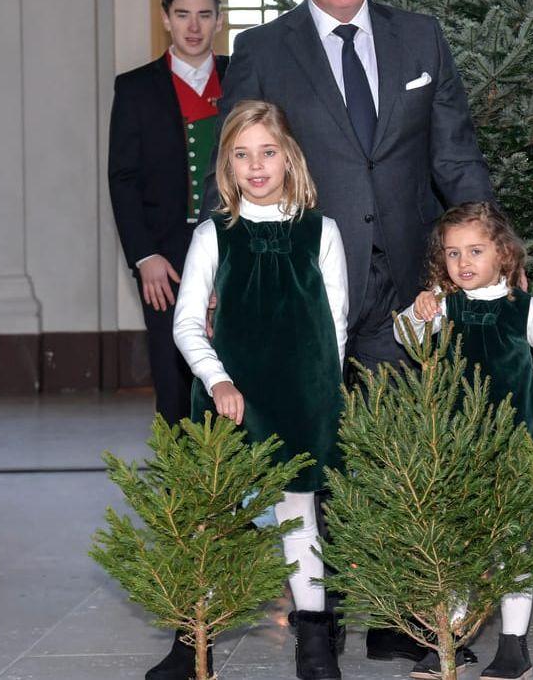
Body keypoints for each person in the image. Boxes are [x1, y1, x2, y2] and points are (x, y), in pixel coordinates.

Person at [207, 0, 493, 664]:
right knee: (309, 454)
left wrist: (487, 255)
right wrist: (222, 278)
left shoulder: (420, 40)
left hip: (403, 288)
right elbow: (232, 167)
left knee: (393, 450)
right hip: (300, 290)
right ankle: (316, 623)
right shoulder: (265, 49)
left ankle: (398, 618)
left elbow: (454, 155)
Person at [173, 100, 348, 680]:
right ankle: (190, 640)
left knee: (300, 510)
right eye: (242, 155)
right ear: (226, 165)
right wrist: (217, 379)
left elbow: (336, 323)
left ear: (289, 157)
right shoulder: (213, 235)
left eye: (267, 152)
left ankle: (315, 644)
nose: (256, 165)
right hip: (232, 395)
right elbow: (186, 322)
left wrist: (326, 393)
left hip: (303, 394)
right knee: (212, 514)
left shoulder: (323, 232)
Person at [394, 202, 533, 680]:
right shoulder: (445, 305)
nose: (463, 262)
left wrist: (527, 391)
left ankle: (514, 646)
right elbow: (407, 334)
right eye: (452, 253)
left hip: (512, 444)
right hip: (454, 445)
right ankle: (452, 638)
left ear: (503, 255)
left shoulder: (524, 309)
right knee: (453, 542)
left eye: (475, 251)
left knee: (513, 543)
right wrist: (419, 307)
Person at [108, 0, 228, 428]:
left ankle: (240, 489)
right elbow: (122, 178)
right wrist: (144, 256)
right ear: (166, 20)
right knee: (174, 370)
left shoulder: (240, 76)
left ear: (219, 21)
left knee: (235, 363)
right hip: (165, 255)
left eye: (203, 15)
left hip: (234, 243)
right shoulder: (136, 87)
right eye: (182, 15)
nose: (193, 27)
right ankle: (183, 491)